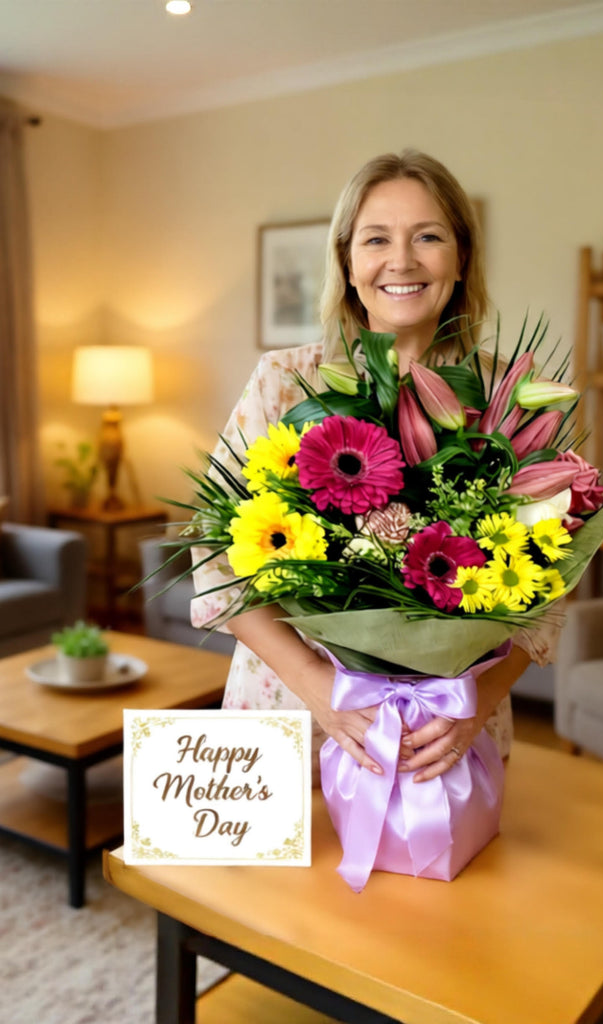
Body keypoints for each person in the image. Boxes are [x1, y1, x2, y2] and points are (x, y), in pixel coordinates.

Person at [191, 150, 558, 782]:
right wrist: (321, 690)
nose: (402, 260)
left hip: (448, 731)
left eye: (428, 237)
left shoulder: (511, 396)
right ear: (347, 262)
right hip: (294, 713)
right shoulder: (285, 382)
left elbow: (549, 581)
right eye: (377, 239)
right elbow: (216, 557)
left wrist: (476, 706)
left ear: (462, 257)